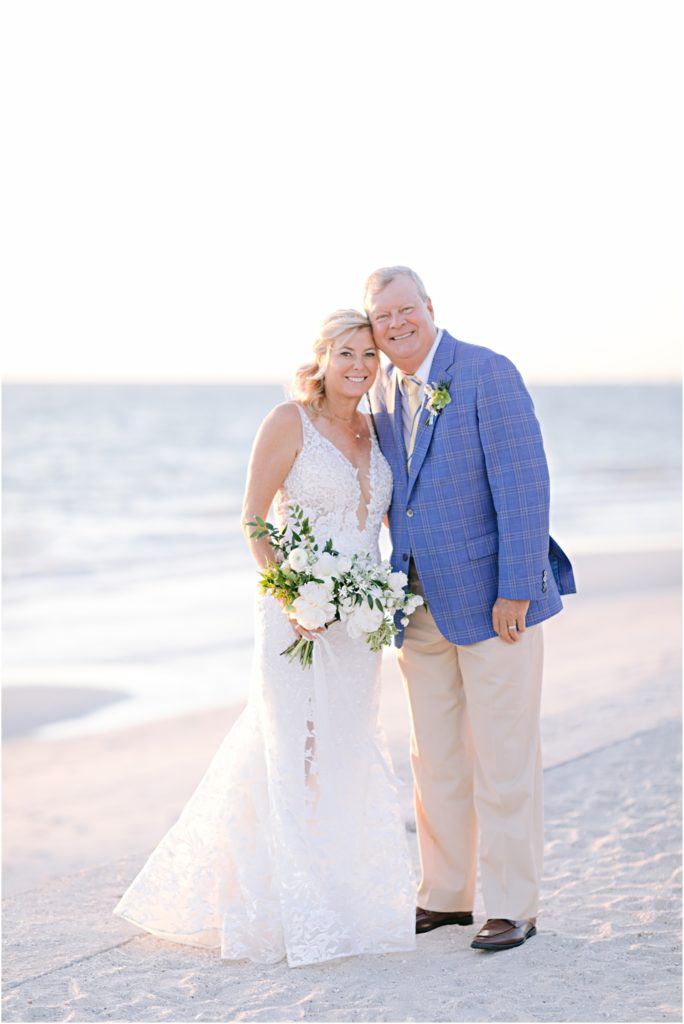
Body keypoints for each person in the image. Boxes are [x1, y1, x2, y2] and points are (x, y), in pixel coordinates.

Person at [113, 310, 416, 968]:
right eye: (346, 352)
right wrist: (292, 596)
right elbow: (253, 518)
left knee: (342, 746)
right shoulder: (288, 423)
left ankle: (337, 893)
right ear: (322, 357)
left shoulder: (377, 427)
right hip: (294, 615)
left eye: (369, 353)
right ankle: (283, 905)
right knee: (290, 746)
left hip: (358, 621)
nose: (359, 364)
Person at [365, 266, 576, 952]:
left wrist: (516, 586)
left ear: (430, 308)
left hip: (494, 606)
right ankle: (448, 896)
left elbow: (523, 483)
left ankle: (514, 905)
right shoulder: (385, 390)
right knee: (437, 761)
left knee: (504, 756)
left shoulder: (486, 372)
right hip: (419, 607)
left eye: (405, 310)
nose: (395, 324)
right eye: (382, 316)